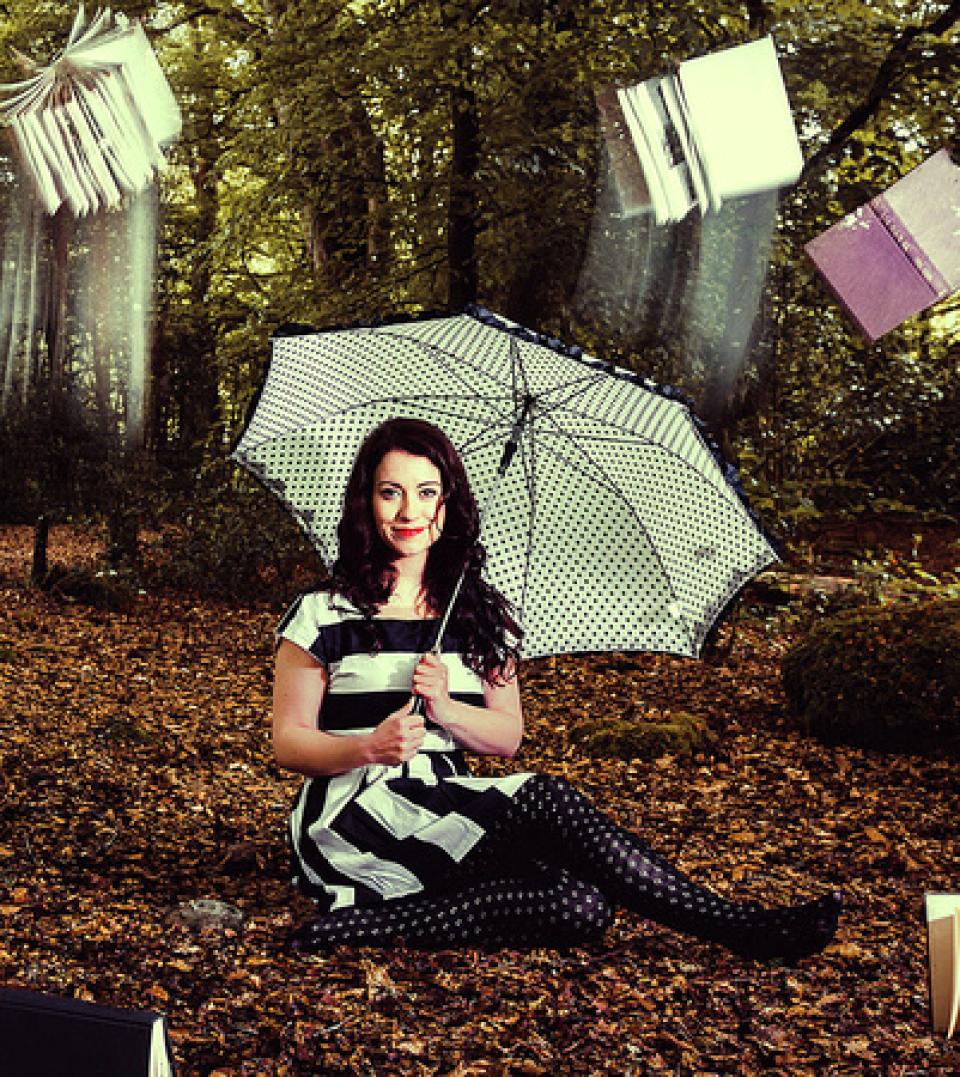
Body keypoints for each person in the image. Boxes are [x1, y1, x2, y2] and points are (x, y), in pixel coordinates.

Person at [272, 417, 842, 958]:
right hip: (352, 816)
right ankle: (735, 926)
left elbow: (506, 737)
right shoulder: (324, 612)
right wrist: (369, 746)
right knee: (545, 796)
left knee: (579, 907)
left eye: (427, 492)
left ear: (449, 502)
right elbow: (288, 742)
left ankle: (370, 925)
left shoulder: (478, 614)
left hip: (445, 807)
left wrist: (445, 707)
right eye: (390, 492)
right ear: (366, 502)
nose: (409, 511)